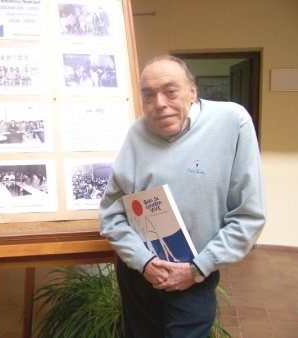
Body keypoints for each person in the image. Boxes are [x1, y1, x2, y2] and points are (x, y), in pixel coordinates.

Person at [99, 55, 266, 338]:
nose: (159, 103)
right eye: (148, 95)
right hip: (141, 273)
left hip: (194, 275)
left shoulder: (232, 122)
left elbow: (248, 216)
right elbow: (112, 214)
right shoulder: (137, 133)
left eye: (170, 91)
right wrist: (144, 262)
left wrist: (197, 268)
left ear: (192, 90)